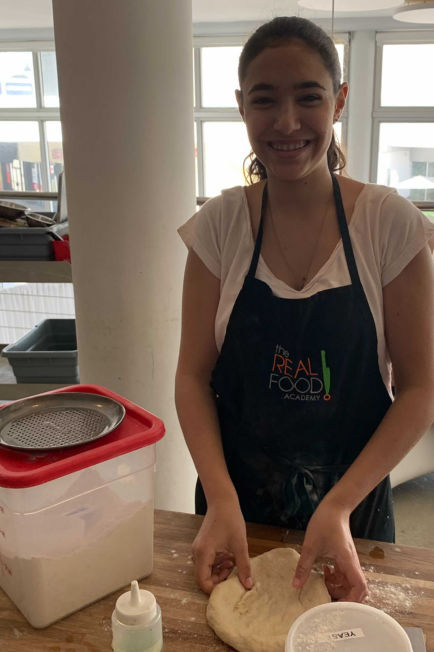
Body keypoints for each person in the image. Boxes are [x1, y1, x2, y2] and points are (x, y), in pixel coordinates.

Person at [175, 16, 434, 603]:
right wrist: (219, 496)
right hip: (235, 513)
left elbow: (421, 389)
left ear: (339, 101)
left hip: (352, 518)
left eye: (309, 97)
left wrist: (338, 505)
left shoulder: (389, 225)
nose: (287, 122)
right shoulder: (218, 226)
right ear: (241, 106)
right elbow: (192, 376)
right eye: (265, 99)